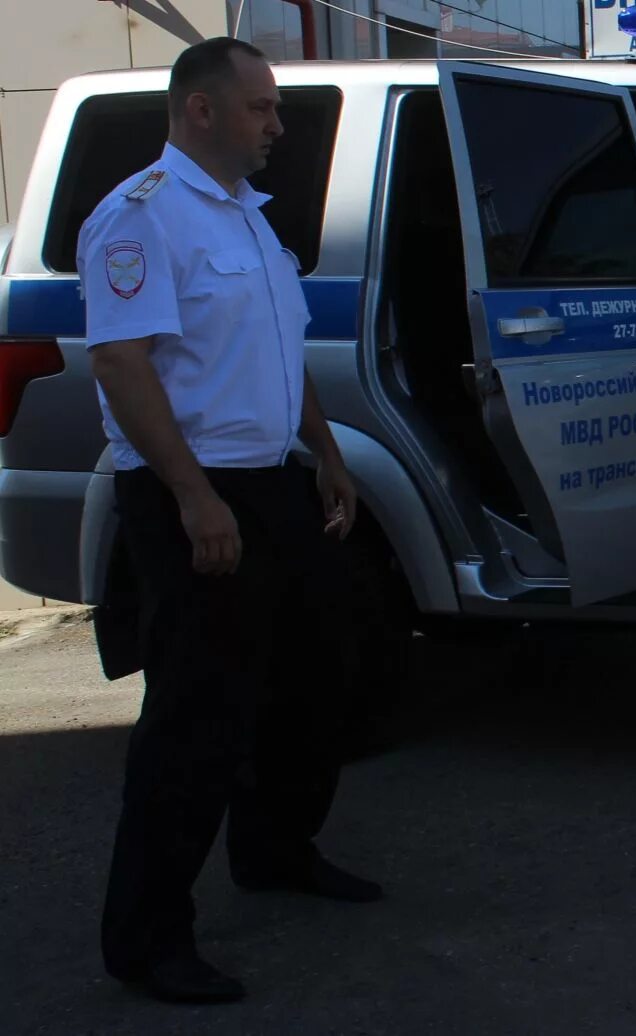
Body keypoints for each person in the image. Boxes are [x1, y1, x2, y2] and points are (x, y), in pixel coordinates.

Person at [82, 37, 381, 1005]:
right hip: (190, 493)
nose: (277, 128)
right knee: (193, 719)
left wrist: (327, 454)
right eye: (261, 109)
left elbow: (280, 358)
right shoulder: (140, 221)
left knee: (317, 670)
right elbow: (124, 368)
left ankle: (275, 847)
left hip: (273, 482)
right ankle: (146, 935)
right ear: (200, 111)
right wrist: (193, 495)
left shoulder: (252, 221)